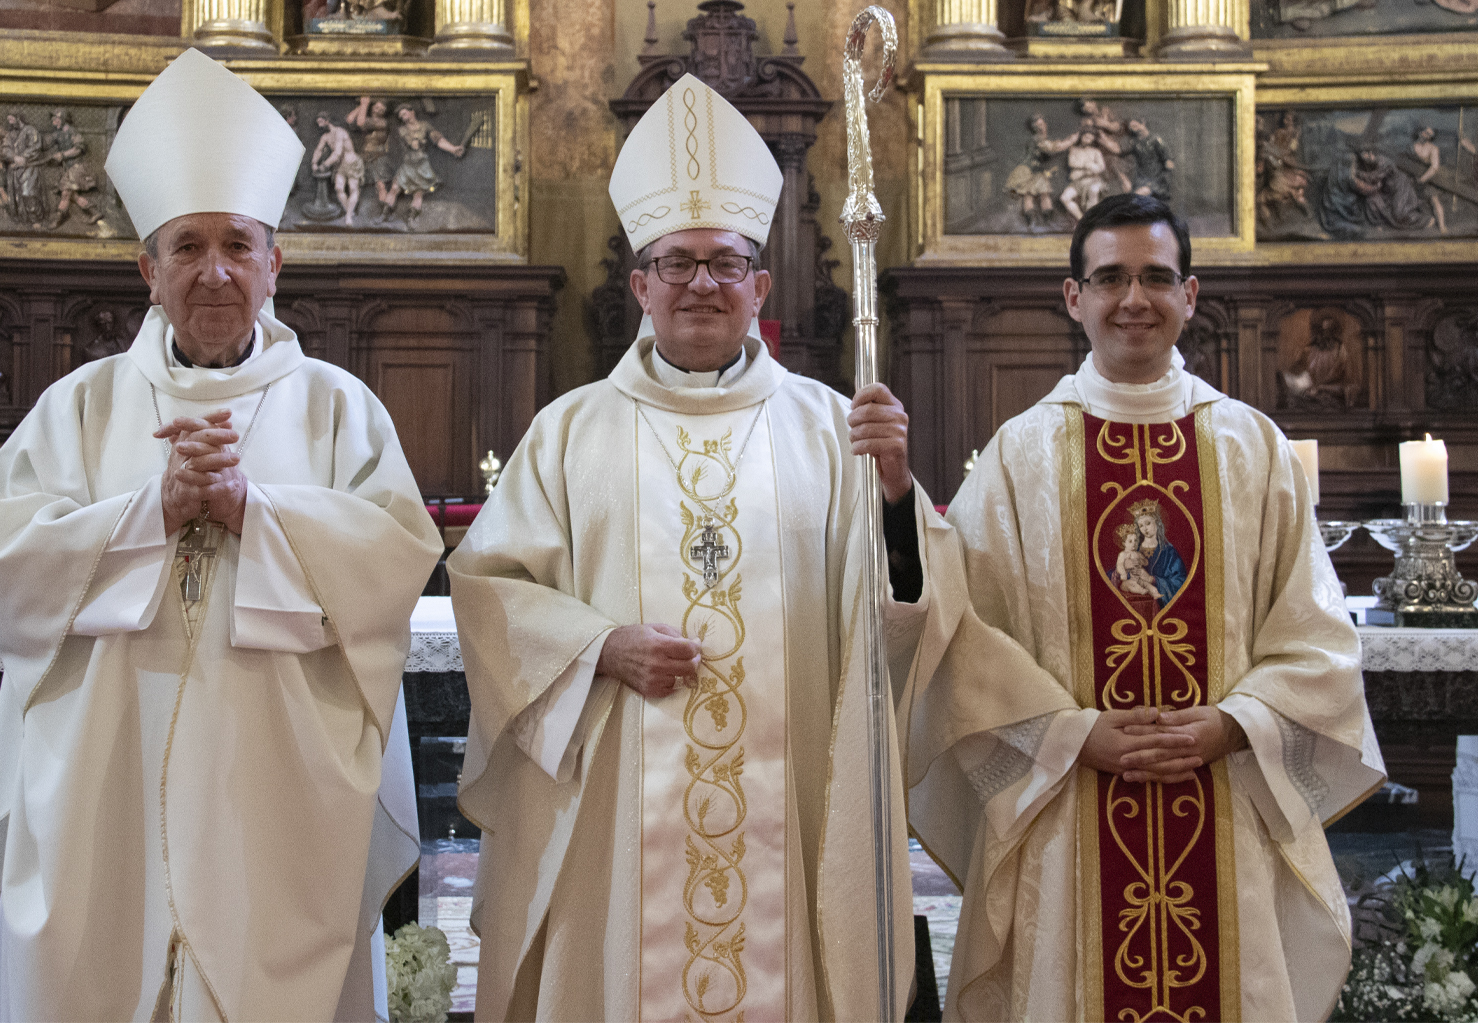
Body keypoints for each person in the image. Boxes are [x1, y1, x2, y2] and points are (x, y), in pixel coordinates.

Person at [449, 72, 990, 1021]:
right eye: (678, 261)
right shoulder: (571, 432)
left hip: (799, 803)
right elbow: (489, 588)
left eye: (726, 262)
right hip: (619, 801)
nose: (703, 281)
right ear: (640, 286)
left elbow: (909, 612)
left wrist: (898, 489)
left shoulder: (838, 427)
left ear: (760, 285)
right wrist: (598, 647)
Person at [0, 49, 443, 1021]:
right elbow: (2, 554)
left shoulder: (338, 409)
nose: (213, 270)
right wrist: (153, 512)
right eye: (186, 246)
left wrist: (254, 512)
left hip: (278, 787)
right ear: (147, 269)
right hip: (103, 788)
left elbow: (393, 563)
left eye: (237, 244)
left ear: (274, 263)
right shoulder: (80, 407)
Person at [908, 194, 1385, 1021]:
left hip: (1225, 798)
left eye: (1156, 277)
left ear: (1190, 295)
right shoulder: (1023, 452)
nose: (1134, 298)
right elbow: (962, 637)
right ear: (1074, 297)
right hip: (1070, 807)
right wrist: (1072, 733)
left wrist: (1233, 723)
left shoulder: (1251, 446)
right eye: (1110, 278)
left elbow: (1318, 639)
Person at [380, 104, 464, 226]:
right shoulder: (402, 130)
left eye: (404, 114)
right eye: (400, 116)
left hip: (422, 166)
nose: (403, 117)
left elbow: (438, 140)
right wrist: (414, 143)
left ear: (411, 112)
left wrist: (453, 149)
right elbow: (411, 145)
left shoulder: (425, 126)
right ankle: (384, 215)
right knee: (394, 189)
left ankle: (411, 219)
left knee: (418, 193)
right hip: (408, 165)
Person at [44, 108, 102, 228]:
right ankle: (95, 212)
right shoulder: (58, 134)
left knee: (65, 193)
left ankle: (57, 219)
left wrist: (63, 154)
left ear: (62, 119)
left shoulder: (72, 132)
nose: (53, 122)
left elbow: (78, 149)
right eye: (53, 119)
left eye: (55, 119)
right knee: (73, 195)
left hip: (77, 167)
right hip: (68, 168)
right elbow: (45, 145)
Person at [312, 111, 365, 226]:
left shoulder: (340, 132)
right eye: (318, 123)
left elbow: (338, 152)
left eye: (321, 122)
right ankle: (349, 212)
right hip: (339, 165)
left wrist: (325, 164)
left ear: (327, 121)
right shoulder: (325, 136)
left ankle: (348, 216)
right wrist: (314, 162)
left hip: (351, 163)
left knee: (352, 188)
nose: (319, 125)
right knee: (339, 188)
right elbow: (319, 150)